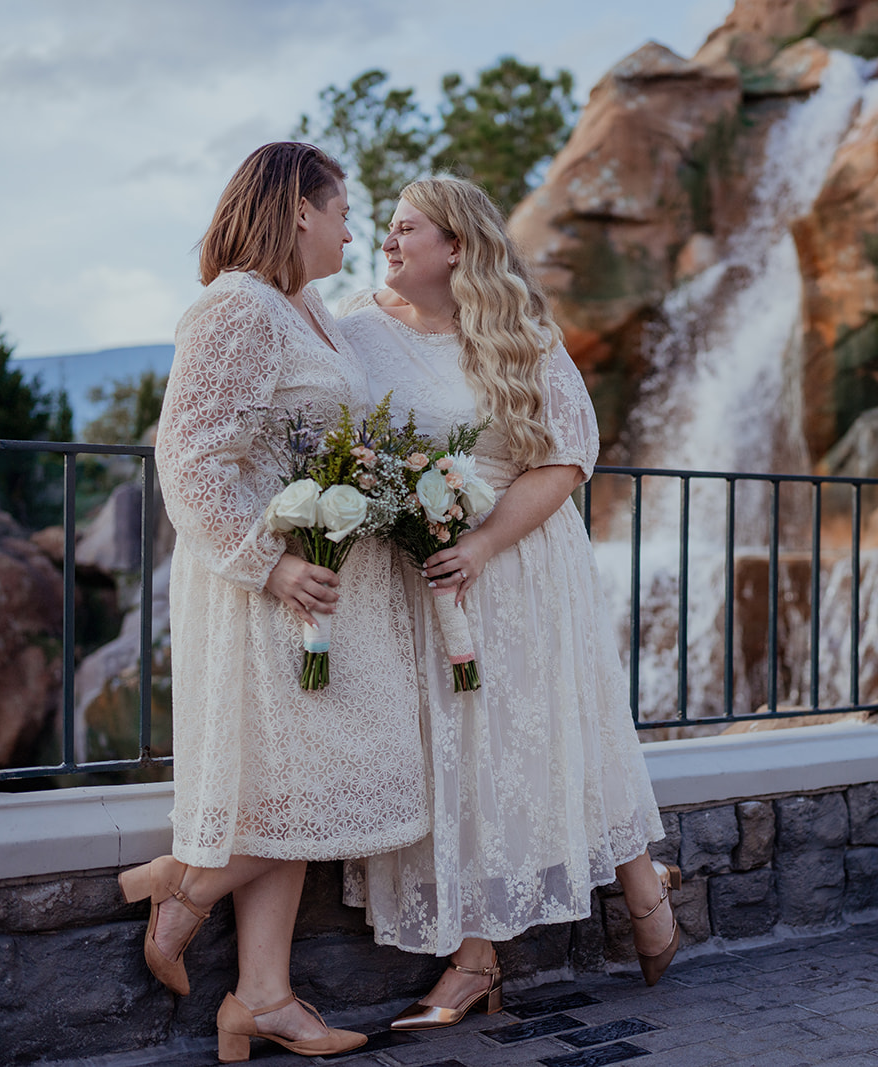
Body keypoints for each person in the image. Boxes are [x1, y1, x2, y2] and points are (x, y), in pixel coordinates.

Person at [336, 175, 677, 1031]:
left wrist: (483, 544)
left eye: (407, 226)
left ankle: (641, 885)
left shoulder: (516, 326)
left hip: (518, 559)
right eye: (386, 224)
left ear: (456, 246)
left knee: (559, 725)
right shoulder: (354, 334)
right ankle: (476, 959)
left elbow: (566, 458)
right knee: (461, 755)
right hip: (422, 576)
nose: (388, 237)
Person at [121, 142, 429, 1062]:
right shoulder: (234, 308)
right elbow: (190, 460)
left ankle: (259, 997)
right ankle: (181, 882)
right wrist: (274, 565)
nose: (350, 227)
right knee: (320, 788)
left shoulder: (305, 307)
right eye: (342, 209)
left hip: (318, 590)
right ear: (299, 209)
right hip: (266, 593)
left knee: (290, 791)